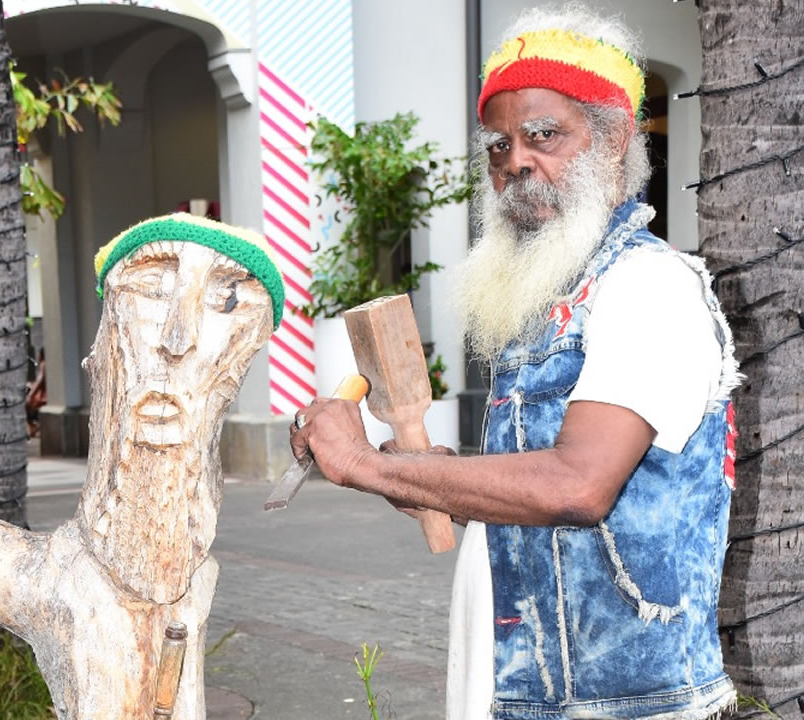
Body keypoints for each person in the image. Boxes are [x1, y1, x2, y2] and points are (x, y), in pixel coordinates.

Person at [288, 5, 742, 719]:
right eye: (499, 146)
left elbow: (577, 485)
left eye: (544, 135)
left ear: (614, 140)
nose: (516, 163)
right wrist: (425, 475)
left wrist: (365, 465)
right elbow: (537, 496)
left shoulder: (648, 286)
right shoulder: (556, 298)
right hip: (528, 687)